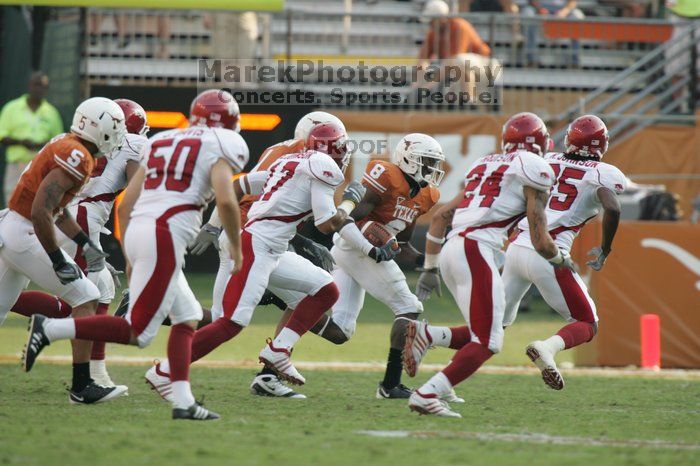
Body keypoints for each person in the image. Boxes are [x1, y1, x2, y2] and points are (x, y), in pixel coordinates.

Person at [22, 89, 249, 421]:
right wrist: (236, 247)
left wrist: (129, 250)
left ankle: (183, 402)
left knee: (186, 317)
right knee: (139, 332)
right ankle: (51, 329)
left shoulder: (165, 140)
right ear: (231, 121)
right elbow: (227, 201)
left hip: (142, 229)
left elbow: (126, 206)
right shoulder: (222, 144)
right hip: (166, 232)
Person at [140, 121, 365, 393]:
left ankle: (279, 350)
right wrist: (350, 201)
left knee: (326, 290)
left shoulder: (290, 160)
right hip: (260, 247)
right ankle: (165, 371)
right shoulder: (322, 167)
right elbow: (326, 224)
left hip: (267, 245)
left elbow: (238, 187)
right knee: (230, 323)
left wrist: (224, 228)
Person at [402, 112, 572, 417]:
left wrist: (430, 268)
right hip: (477, 249)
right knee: (490, 340)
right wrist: (560, 259)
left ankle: (429, 336)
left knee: (483, 330)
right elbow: (540, 239)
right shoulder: (535, 168)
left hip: (454, 249)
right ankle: (428, 393)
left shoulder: (485, 163)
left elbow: (441, 216)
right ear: (540, 143)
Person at [11, 99, 149, 390]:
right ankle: (80, 370)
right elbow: (140, 194)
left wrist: (88, 244)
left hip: (65, 217)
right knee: (84, 299)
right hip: (75, 217)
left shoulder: (67, 141)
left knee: (99, 292)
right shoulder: (132, 143)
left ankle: (95, 374)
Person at [309, 134, 450, 400]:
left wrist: (429, 265)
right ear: (408, 159)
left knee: (340, 331)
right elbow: (348, 219)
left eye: (434, 163)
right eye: (427, 161)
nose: (433, 169)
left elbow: (403, 245)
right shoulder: (387, 175)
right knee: (408, 307)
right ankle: (390, 384)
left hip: (358, 253)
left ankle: (292, 307)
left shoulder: (426, 195)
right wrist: (370, 245)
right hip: (355, 246)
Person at [501, 115, 626, 390]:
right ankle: (547, 348)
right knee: (587, 322)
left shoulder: (547, 160)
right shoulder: (602, 173)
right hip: (550, 253)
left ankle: (435, 342)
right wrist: (605, 248)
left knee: (493, 327)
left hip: (518, 245)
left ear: (569, 138)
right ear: (601, 145)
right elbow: (613, 208)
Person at [0, 72, 63, 206]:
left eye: (43, 86)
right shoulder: (12, 108)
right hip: (17, 165)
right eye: (37, 85)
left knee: (37, 204)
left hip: (41, 166)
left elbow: (58, 142)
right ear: (30, 86)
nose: (39, 89)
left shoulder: (52, 113)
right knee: (11, 203)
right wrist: (21, 142)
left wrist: (43, 145)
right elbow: (2, 135)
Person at [521, 1, 584, 67]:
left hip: (563, 9)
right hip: (539, 8)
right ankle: (531, 59)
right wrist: (540, 9)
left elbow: (572, 2)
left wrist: (564, 12)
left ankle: (574, 60)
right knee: (528, 12)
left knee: (577, 15)